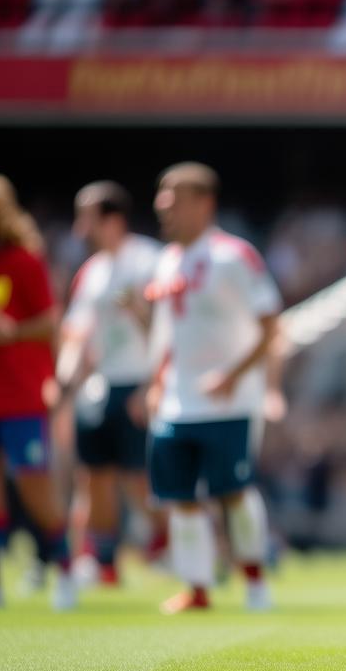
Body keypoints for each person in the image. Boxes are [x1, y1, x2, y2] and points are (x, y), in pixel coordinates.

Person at [145, 163, 280, 613]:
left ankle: (255, 582)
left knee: (233, 492)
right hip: (175, 402)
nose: (164, 209)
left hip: (229, 403)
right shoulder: (165, 261)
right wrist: (155, 383)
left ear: (205, 203)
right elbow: (168, 332)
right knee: (180, 498)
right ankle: (197, 588)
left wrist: (234, 375)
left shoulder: (233, 255)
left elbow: (269, 325)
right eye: (162, 201)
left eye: (175, 200)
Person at [0, 174, 77, 610]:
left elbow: (49, 323)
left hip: (19, 400)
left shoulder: (24, 261)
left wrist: (16, 335)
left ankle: (64, 571)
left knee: (35, 493)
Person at [58, 181, 163, 586]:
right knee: (93, 475)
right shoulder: (92, 272)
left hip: (139, 381)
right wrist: (66, 379)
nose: (80, 228)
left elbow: (166, 330)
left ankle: (170, 542)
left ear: (112, 219)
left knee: (139, 479)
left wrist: (151, 384)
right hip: (100, 384)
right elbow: (78, 332)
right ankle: (101, 559)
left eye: (87, 217)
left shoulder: (149, 261)